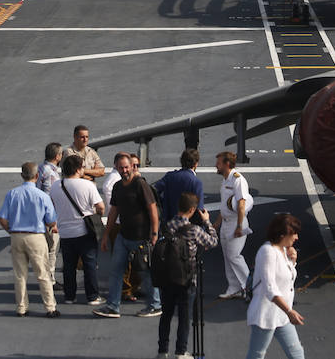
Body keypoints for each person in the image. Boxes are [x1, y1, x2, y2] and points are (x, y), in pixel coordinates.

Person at [93, 153, 162, 318]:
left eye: (127, 167)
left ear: (131, 167)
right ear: (116, 167)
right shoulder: (117, 187)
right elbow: (113, 212)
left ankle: (155, 305)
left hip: (141, 238)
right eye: (121, 167)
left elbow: (152, 209)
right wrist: (106, 235)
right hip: (123, 237)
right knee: (116, 271)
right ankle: (113, 306)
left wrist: (154, 234)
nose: (124, 170)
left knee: (145, 271)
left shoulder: (140, 185)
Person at [156, 192, 218, 359]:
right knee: (184, 316)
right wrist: (207, 221)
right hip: (187, 278)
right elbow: (213, 241)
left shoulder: (168, 225)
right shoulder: (194, 230)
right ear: (192, 209)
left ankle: (162, 351)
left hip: (167, 276)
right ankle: (181, 351)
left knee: (166, 314)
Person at [0, 162, 60, 318]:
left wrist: (11, 230)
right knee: (42, 273)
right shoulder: (42, 196)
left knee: (20, 274)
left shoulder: (12, 194)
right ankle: (50, 307)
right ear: (36, 176)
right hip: (36, 236)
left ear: (22, 175)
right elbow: (51, 220)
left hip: (17, 235)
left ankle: (21, 307)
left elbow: (3, 219)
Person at [245, 214, 305, 359]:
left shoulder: (283, 250)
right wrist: (290, 311)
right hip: (266, 315)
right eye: (294, 233)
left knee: (296, 353)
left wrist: (293, 261)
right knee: (257, 355)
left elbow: (285, 277)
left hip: (281, 315)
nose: (296, 237)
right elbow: (270, 288)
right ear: (283, 234)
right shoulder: (267, 252)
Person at [50, 154, 105, 305]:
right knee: (89, 264)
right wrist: (95, 216)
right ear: (78, 169)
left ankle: (69, 296)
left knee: (68, 266)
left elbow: (53, 205)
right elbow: (101, 207)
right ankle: (92, 296)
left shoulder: (56, 186)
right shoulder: (87, 185)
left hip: (65, 232)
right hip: (84, 231)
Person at [213, 151, 252, 299]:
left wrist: (239, 226)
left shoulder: (238, 180)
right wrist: (216, 224)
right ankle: (234, 288)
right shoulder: (225, 180)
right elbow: (225, 206)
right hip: (226, 223)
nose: (216, 165)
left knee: (234, 256)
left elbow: (241, 204)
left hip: (236, 222)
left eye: (219, 163)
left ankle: (250, 286)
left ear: (227, 164)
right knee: (227, 257)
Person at [154, 148, 204, 223]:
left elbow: (154, 190)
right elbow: (199, 210)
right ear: (196, 163)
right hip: (188, 226)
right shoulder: (196, 182)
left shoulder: (169, 176)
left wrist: (164, 203)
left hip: (169, 224)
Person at [38, 142, 64, 282]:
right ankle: (50, 279)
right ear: (57, 156)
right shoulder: (52, 174)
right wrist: (53, 221)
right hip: (49, 218)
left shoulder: (41, 168)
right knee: (51, 249)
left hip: (39, 216)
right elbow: (50, 198)